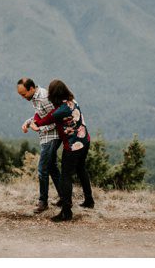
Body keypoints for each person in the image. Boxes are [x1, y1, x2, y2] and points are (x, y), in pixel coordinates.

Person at [35, 79, 93, 222]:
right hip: (85, 140)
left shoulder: (59, 111)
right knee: (81, 170)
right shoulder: (72, 101)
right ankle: (89, 200)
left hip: (73, 146)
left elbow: (45, 120)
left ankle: (66, 212)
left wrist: (34, 124)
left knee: (66, 177)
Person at [15, 78, 58, 214]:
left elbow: (58, 119)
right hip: (47, 136)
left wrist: (40, 129)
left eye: (23, 94)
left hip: (52, 137)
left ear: (31, 88)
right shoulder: (35, 98)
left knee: (42, 169)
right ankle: (64, 197)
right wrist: (28, 122)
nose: (23, 97)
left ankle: (43, 202)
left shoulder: (44, 98)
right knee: (52, 168)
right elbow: (41, 115)